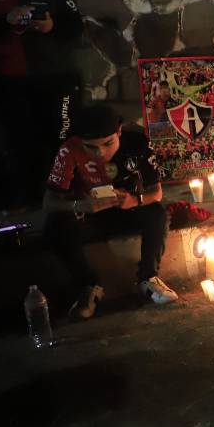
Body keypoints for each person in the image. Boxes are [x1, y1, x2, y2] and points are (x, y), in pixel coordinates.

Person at [43, 103, 177, 319]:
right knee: (55, 226)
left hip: (126, 210)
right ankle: (88, 287)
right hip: (88, 218)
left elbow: (156, 192)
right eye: (91, 147)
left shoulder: (137, 143)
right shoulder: (69, 149)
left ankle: (147, 279)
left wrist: (134, 200)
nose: (101, 153)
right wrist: (80, 205)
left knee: (157, 214)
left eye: (108, 143)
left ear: (119, 132)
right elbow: (49, 203)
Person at [0, 0, 83, 212]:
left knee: (58, 138)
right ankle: (25, 200)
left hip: (53, 77)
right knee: (18, 142)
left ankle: (60, 195)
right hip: (9, 80)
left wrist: (51, 26)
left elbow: (75, 25)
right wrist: (6, 22)